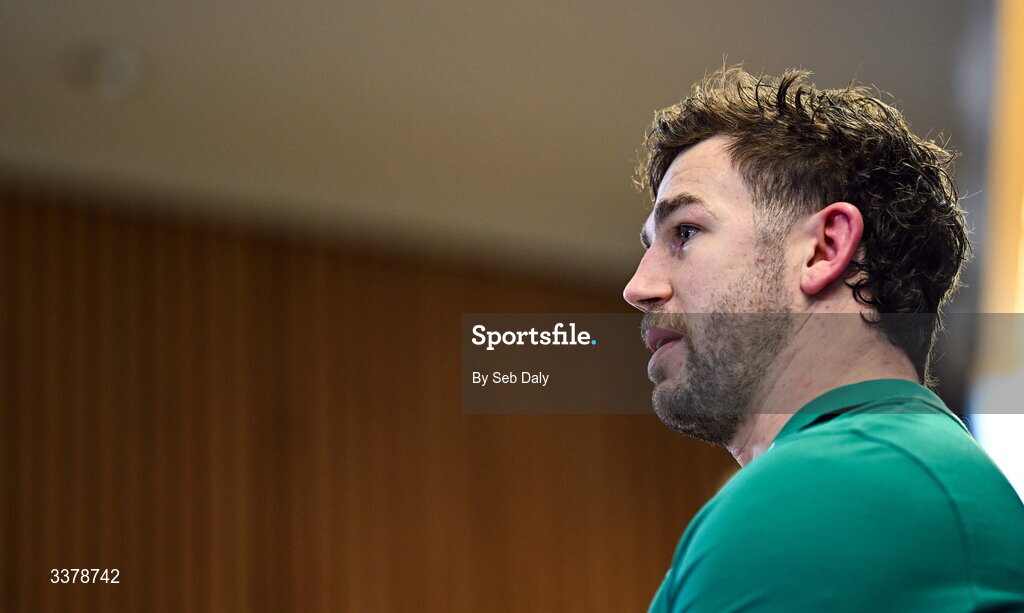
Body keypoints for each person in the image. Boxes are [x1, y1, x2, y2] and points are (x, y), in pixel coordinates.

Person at [623, 67, 1024, 612]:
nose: (638, 288)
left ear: (824, 248)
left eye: (685, 233)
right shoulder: (912, 472)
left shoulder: (822, 493)